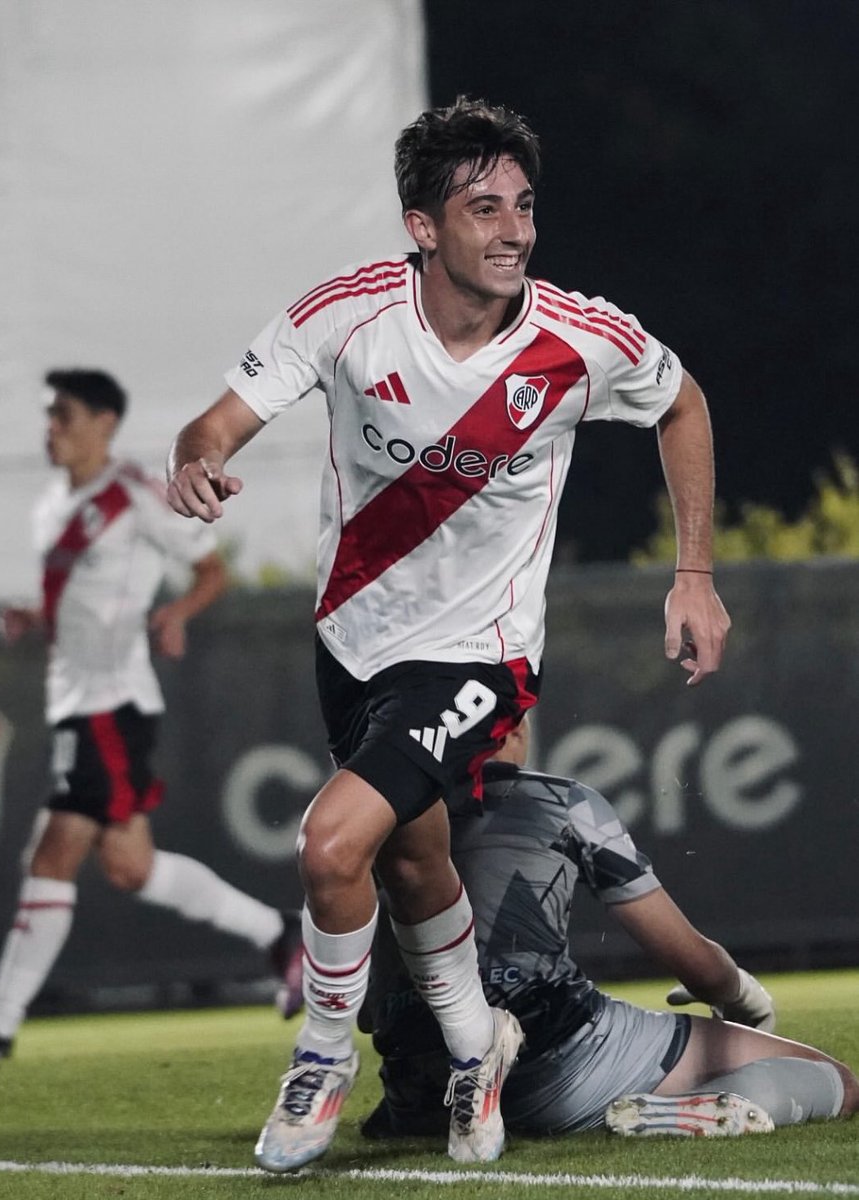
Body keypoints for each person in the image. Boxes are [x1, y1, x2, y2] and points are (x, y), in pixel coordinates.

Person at [165, 96, 731, 1172]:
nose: (514, 228)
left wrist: (693, 575)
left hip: (481, 655)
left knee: (334, 843)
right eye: (483, 208)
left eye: (523, 205)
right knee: (417, 868)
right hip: (352, 641)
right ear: (423, 227)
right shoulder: (349, 314)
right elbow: (218, 421)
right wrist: (194, 460)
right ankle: (479, 1042)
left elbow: (683, 403)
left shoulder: (580, 336)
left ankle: (322, 1057)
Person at [0, 369, 303, 1063]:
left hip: (111, 706)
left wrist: (173, 612)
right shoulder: (51, 506)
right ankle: (280, 932)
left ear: (105, 423)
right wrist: (36, 614)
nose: (52, 428)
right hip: (77, 705)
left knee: (52, 852)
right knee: (130, 867)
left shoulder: (133, 494)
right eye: (49, 415)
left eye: (65, 415)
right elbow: (78, 604)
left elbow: (210, 571)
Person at [360, 717, 858, 1139]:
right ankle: (688, 1108)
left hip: (418, 1094)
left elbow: (369, 1012)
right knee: (834, 1079)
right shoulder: (561, 802)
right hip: (551, 1070)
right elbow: (693, 963)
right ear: (510, 727)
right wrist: (738, 991)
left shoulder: (382, 818)